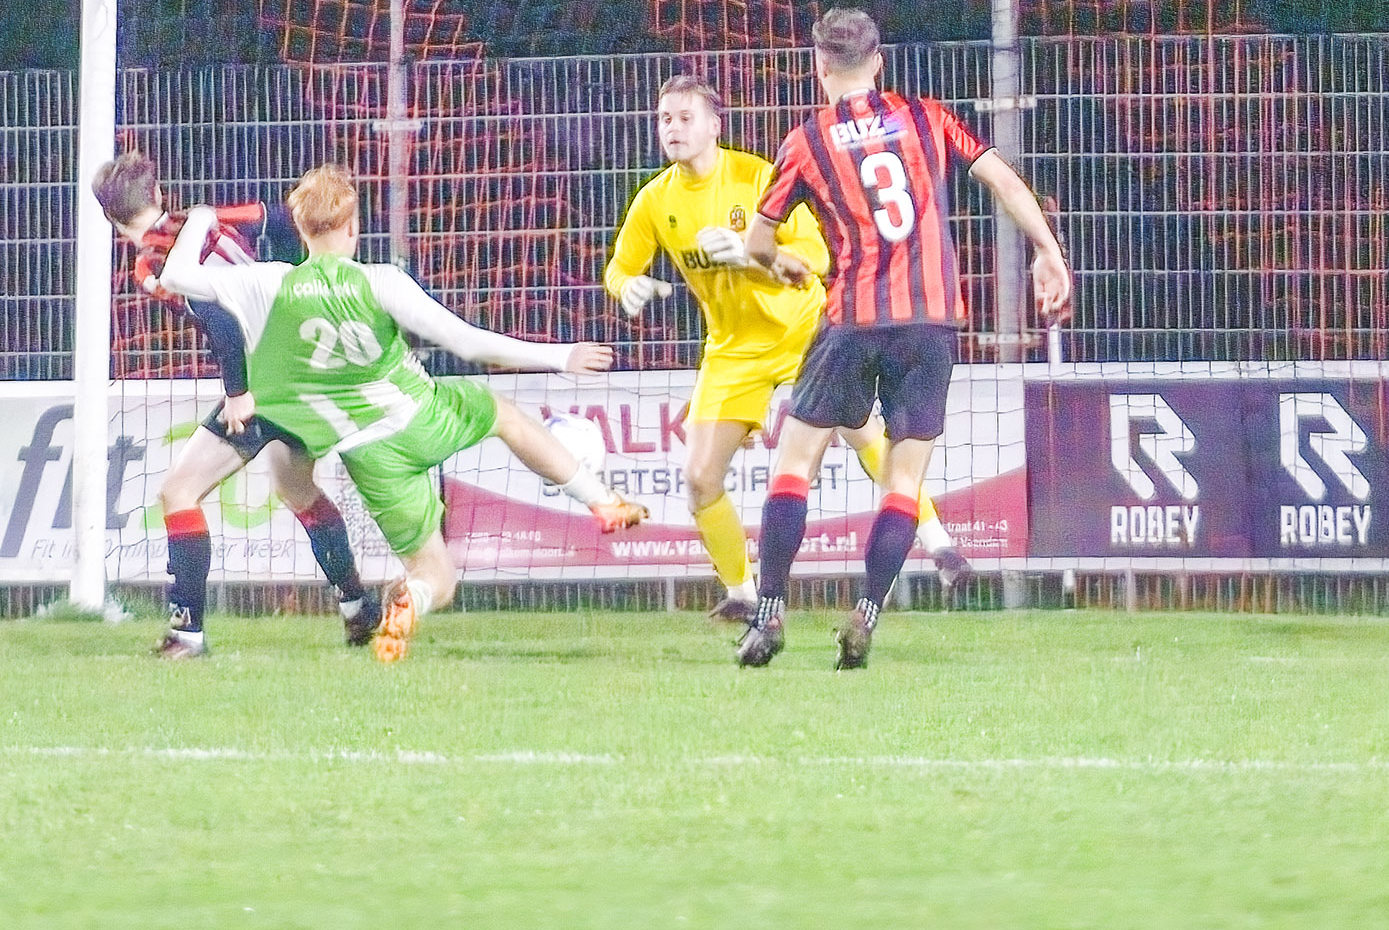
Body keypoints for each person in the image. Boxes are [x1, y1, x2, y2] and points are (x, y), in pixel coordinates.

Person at [160, 163, 648, 662]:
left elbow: (175, 275)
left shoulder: (267, 284)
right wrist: (560, 357)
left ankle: (410, 595)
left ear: (301, 229)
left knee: (436, 574)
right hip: (421, 417)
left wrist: (200, 218)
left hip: (370, 456)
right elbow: (467, 342)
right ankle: (602, 502)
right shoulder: (381, 282)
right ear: (353, 227)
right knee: (504, 416)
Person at [736, 8, 1072, 669]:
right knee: (904, 478)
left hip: (852, 320)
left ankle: (769, 611)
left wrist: (782, 262)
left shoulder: (806, 142)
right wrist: (1047, 250)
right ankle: (866, 614)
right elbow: (1004, 179)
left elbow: (756, 241)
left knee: (795, 464)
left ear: (819, 67)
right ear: (879, 62)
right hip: (931, 321)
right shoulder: (926, 116)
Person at [603, 73, 971, 622]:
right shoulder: (656, 200)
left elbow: (817, 257)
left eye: (685, 117)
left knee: (865, 436)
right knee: (699, 478)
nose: (672, 128)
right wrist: (625, 285)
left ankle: (939, 543)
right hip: (733, 349)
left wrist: (749, 251)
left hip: (804, 330)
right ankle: (743, 594)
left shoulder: (757, 177)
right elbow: (619, 267)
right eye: (664, 119)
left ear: (714, 125)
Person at [91, 151, 377, 659]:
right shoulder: (207, 219)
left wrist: (238, 392)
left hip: (264, 376)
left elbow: (220, 318)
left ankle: (187, 633)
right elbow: (279, 217)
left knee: (178, 492)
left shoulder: (153, 262)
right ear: (158, 193)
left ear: (111, 218)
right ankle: (358, 607)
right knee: (296, 488)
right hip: (306, 358)